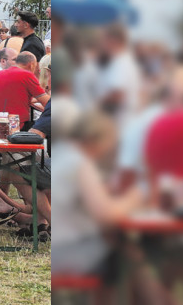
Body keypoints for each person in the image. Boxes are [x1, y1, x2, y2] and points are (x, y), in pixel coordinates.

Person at [52, 110, 143, 288]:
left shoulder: (61, 152)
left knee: (123, 250)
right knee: (128, 255)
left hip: (60, 246)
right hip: (64, 252)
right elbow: (107, 216)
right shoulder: (79, 162)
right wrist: (137, 196)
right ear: (97, 139)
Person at [0, 51, 50, 126]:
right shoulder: (26, 75)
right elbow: (48, 103)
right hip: (16, 125)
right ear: (31, 65)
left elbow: (15, 97)